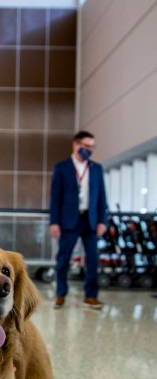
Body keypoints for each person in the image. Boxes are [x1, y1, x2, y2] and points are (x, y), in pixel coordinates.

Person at [50, 130, 108, 310]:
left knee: (92, 259)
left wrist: (102, 221)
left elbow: (102, 197)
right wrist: (54, 222)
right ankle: (60, 294)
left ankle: (91, 296)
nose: (89, 150)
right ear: (76, 145)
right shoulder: (62, 167)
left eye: (92, 147)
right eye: (86, 146)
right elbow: (55, 197)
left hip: (90, 220)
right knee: (63, 259)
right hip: (69, 220)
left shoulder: (96, 168)